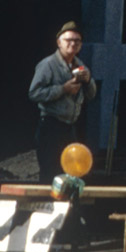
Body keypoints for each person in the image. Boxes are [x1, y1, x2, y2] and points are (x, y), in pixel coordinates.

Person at [29, 23, 97, 186]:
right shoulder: (48, 64)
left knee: (71, 174)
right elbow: (34, 93)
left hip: (70, 128)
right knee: (50, 174)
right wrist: (63, 89)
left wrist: (88, 81)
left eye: (77, 41)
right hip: (51, 127)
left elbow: (91, 95)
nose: (72, 44)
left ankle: (68, 209)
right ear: (59, 42)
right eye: (68, 40)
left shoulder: (80, 65)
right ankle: (48, 208)